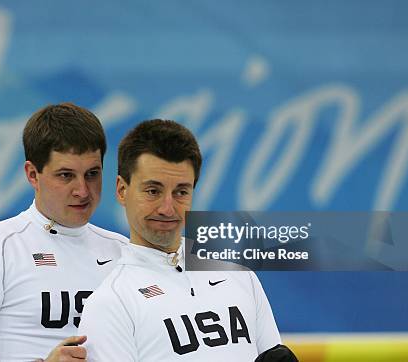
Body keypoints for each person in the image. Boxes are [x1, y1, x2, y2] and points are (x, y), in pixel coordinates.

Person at [78, 119, 282, 361]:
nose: (167, 208)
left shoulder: (240, 277)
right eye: (153, 191)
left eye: (181, 192)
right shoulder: (110, 304)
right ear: (122, 190)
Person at [0, 103, 128, 362]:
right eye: (65, 175)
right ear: (32, 175)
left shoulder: (124, 251)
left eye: (92, 174)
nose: (83, 191)